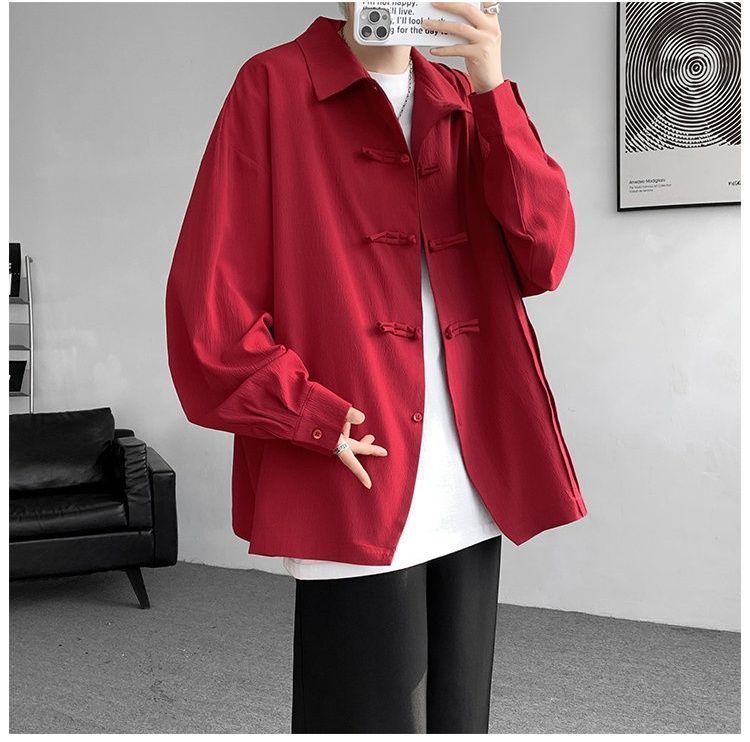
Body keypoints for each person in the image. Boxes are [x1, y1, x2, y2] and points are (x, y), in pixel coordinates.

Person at [166, 1, 587, 733]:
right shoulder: (273, 85)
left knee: (459, 719)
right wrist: (310, 415)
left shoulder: (462, 95)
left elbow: (544, 256)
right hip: (355, 462)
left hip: (470, 472)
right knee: (364, 716)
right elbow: (209, 315)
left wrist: (492, 87)